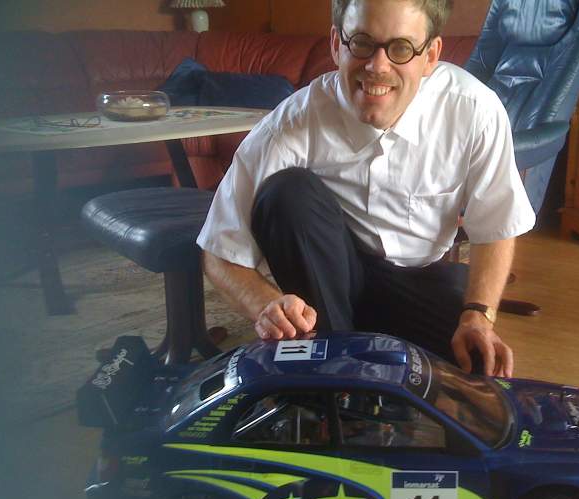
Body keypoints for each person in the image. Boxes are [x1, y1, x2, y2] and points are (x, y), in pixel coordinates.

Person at [197, 0, 535, 377]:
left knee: (474, 367)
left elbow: (496, 227)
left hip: (420, 281)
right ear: (336, 44)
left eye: (401, 48)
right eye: (361, 42)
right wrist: (265, 304)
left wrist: (478, 316)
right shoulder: (289, 126)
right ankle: (334, 370)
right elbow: (219, 251)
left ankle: (340, 361)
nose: (377, 66)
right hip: (326, 283)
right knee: (288, 193)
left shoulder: (474, 111)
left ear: (430, 56)